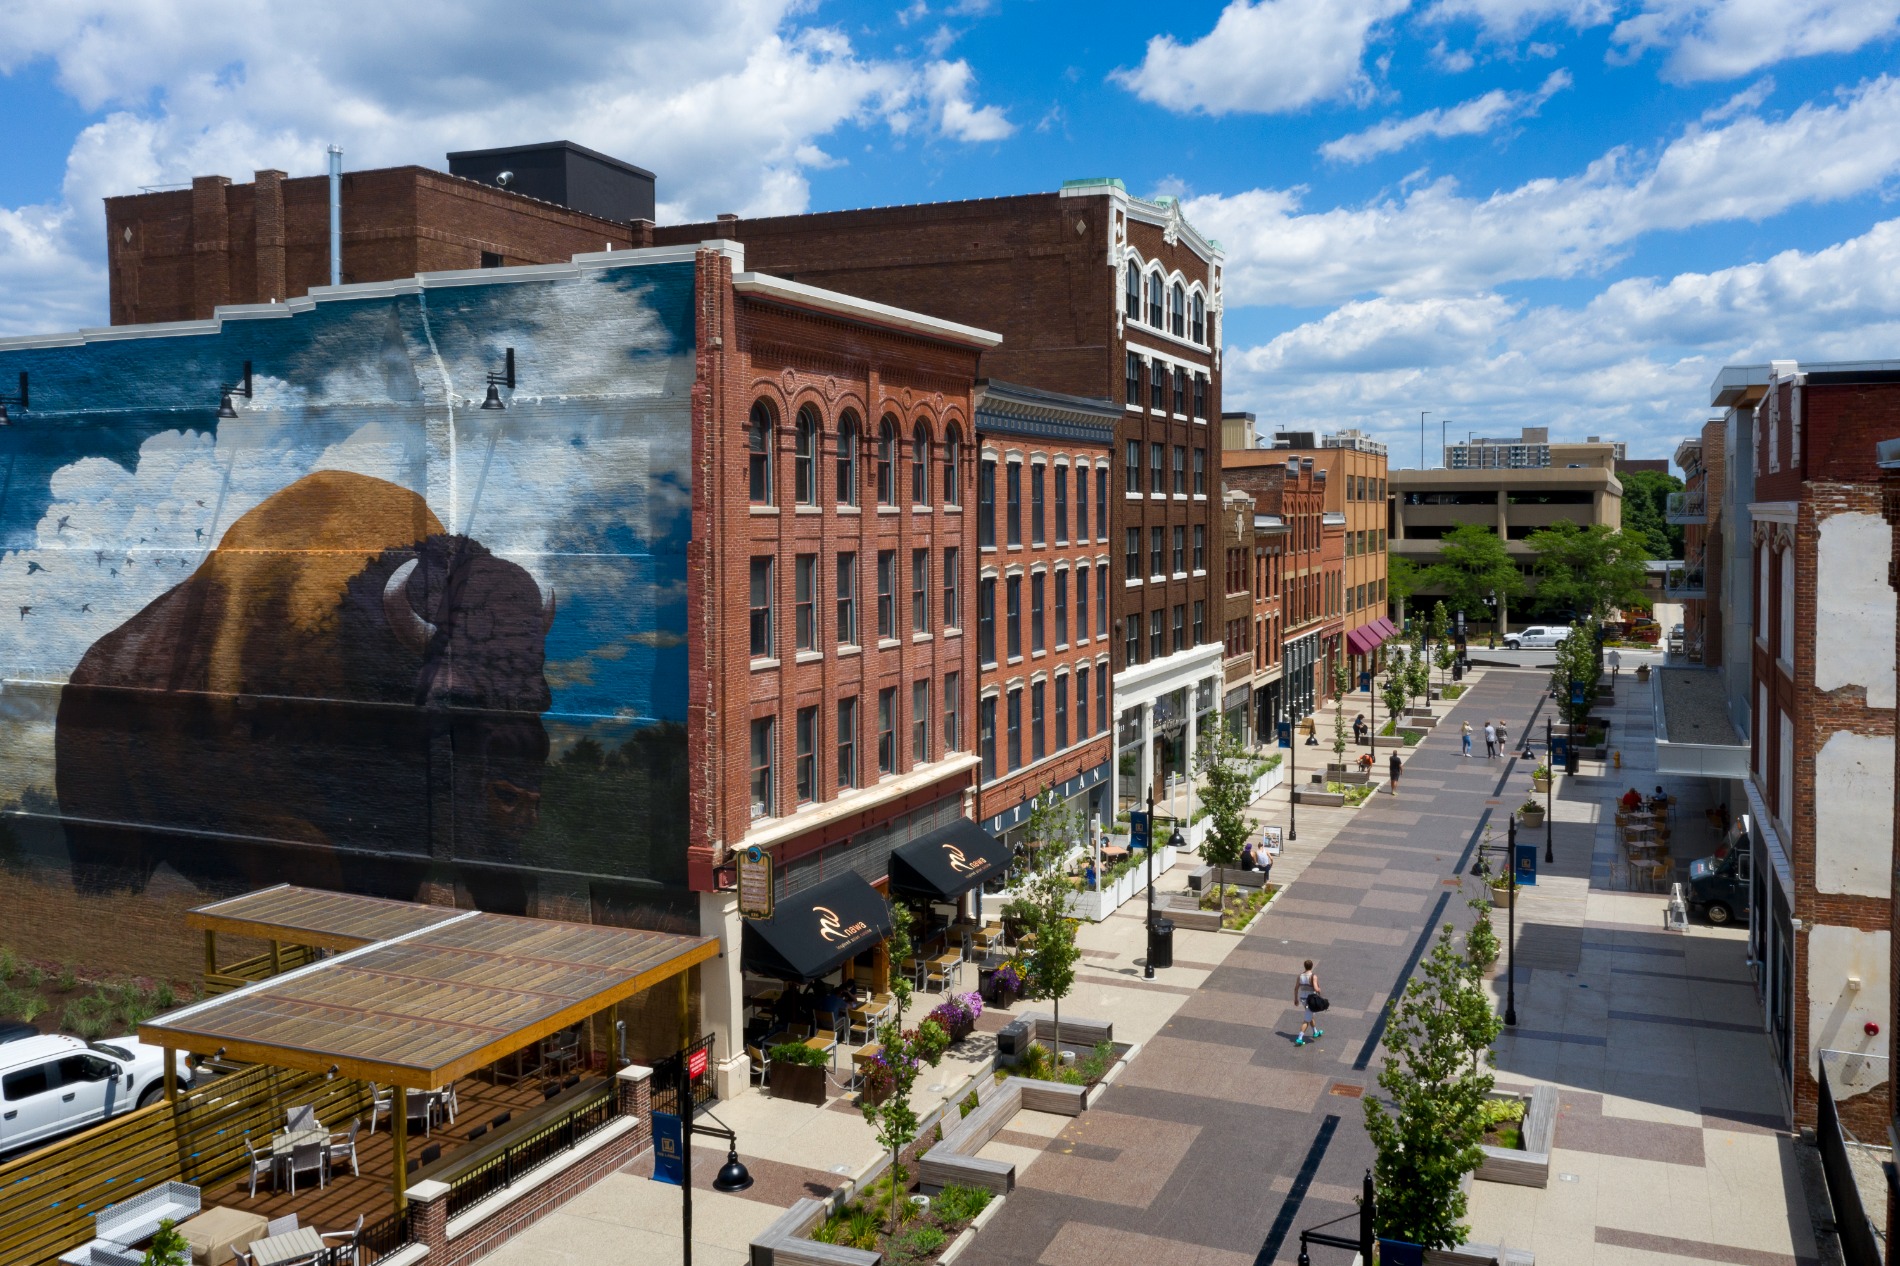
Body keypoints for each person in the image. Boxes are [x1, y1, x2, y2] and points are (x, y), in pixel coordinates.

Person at [1294, 959, 1323, 1046]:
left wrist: (1296, 999)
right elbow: (1315, 988)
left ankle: (1315, 1032)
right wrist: (1319, 990)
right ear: (1311, 966)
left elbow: (1296, 988)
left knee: (1310, 1015)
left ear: (1304, 966)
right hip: (1311, 1000)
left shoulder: (1300, 976)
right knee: (1307, 1020)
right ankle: (1299, 1038)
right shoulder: (1313, 976)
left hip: (1303, 999)